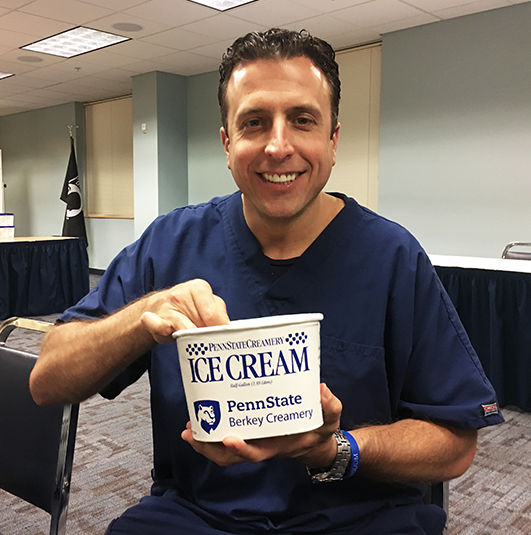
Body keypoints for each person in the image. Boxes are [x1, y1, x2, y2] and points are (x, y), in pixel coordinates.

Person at [30, 28, 503, 535]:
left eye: (302, 120)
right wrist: (141, 321)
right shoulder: (171, 244)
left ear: (333, 139)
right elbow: (48, 381)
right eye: (254, 122)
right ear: (228, 142)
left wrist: (334, 449)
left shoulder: (392, 258)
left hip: (358, 517)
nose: (279, 146)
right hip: (196, 516)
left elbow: (455, 443)